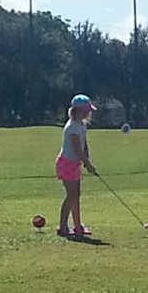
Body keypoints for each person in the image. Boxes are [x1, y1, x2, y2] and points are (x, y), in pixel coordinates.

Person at [55, 94, 98, 237]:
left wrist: (87, 158)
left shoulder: (81, 124)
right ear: (78, 110)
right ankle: (62, 227)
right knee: (71, 195)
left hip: (74, 163)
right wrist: (88, 164)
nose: (88, 113)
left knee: (75, 195)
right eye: (86, 110)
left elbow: (83, 145)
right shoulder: (72, 127)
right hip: (66, 163)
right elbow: (77, 150)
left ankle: (78, 226)